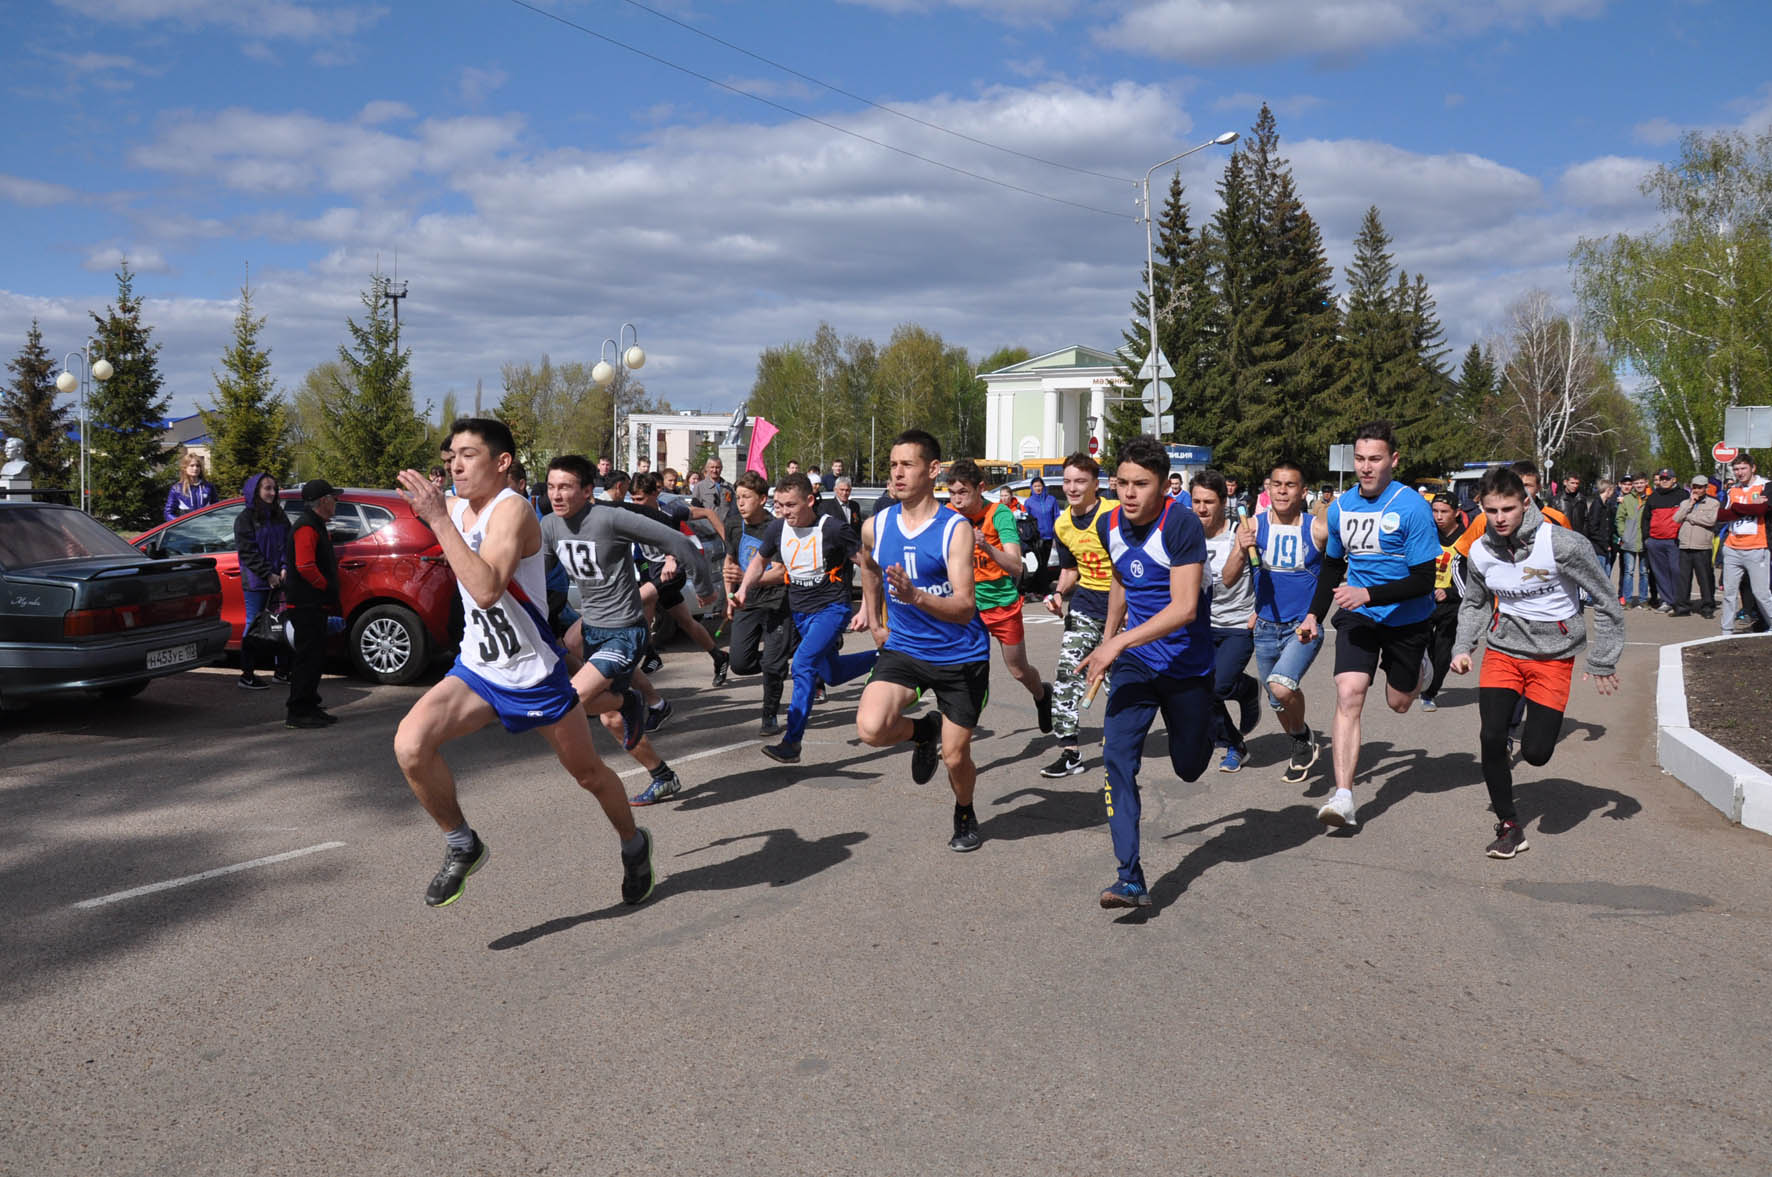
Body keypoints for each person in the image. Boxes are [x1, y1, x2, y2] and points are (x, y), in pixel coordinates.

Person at [391, 421, 654, 909]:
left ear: (502, 462)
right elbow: (425, 524)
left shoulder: (511, 511)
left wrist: (439, 520)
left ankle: (633, 845)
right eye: (452, 456)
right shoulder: (452, 507)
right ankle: (461, 843)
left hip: (533, 676)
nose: (456, 465)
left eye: (469, 455)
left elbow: (488, 589)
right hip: (479, 671)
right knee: (409, 745)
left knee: (588, 774)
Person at [1449, 465, 1624, 858]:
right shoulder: (1480, 549)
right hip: (1504, 651)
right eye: (1491, 511)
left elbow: (1608, 601)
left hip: (1553, 657)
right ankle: (1509, 826)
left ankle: (1528, 759)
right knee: (1491, 737)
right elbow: (1475, 603)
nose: (1500, 519)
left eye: (1508, 509)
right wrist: (1463, 646)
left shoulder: (1562, 544)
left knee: (1537, 753)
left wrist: (1603, 659)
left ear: (1525, 503)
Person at [1081, 435, 1216, 908]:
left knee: (1189, 767)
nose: (1130, 493)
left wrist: (1117, 640)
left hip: (1186, 664)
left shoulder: (1181, 526)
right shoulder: (1109, 524)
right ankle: (1129, 877)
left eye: (1142, 484)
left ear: (1163, 487)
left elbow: (1183, 609)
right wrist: (1108, 641)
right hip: (1137, 663)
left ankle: (1221, 708)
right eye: (1123, 483)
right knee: (1116, 758)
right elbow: (1121, 576)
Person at [542, 454, 711, 808]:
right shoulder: (550, 526)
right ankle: (663, 776)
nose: (556, 495)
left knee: (572, 699)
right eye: (552, 487)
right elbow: (531, 573)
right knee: (610, 720)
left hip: (625, 631)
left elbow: (679, 543)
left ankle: (631, 699)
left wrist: (705, 585)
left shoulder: (611, 518)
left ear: (588, 490)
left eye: (566, 487)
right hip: (594, 631)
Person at [852, 430, 992, 853]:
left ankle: (964, 809)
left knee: (955, 757)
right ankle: (922, 730)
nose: (896, 472)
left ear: (933, 470)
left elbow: (966, 606)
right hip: (906, 648)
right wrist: (874, 617)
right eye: (893, 464)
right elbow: (870, 567)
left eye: (907, 464)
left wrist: (915, 596)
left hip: (960, 655)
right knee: (871, 729)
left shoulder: (955, 529)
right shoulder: (876, 525)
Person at [1299, 420, 1440, 830]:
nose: (1365, 466)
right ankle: (1343, 796)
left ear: (1393, 460)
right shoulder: (1342, 506)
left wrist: (1370, 594)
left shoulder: (1411, 506)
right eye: (1359, 458)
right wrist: (1314, 613)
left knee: (1399, 702)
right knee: (1349, 692)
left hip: (1407, 617)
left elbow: (1423, 579)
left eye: (1374, 458)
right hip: (1359, 616)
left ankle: (1421, 671)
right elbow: (1332, 566)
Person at [736, 473, 875, 762]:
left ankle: (792, 743)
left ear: (810, 500)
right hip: (801, 613)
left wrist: (866, 609)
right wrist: (743, 589)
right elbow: (758, 562)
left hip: (832, 610)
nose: (785, 512)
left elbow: (870, 566)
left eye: (791, 505)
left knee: (802, 664)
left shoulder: (834, 529)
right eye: (779, 505)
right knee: (832, 674)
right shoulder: (777, 529)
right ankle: (884, 656)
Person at [944, 460, 1053, 735]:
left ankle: (1042, 694)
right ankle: (957, 732)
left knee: (1018, 670)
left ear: (980, 488)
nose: (956, 500)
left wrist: (984, 546)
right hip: (967, 606)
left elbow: (1016, 566)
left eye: (963, 492)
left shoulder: (999, 514)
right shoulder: (946, 515)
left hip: (1002, 603)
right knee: (964, 672)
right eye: (952, 492)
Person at [1245, 458, 1327, 784]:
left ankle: (1301, 736)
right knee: (1276, 698)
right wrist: (1250, 608)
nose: (1282, 490)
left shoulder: (1316, 528)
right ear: (1268, 488)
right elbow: (1239, 575)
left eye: (1290, 484)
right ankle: (1301, 740)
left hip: (1302, 627)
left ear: (1303, 491)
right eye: (1276, 484)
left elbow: (1338, 567)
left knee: (1281, 685)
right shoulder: (1251, 525)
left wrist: (1316, 615)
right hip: (1265, 626)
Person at [1041, 453, 1116, 778]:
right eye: (1068, 481)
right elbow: (1070, 570)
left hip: (1123, 609)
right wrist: (1059, 593)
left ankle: (1119, 742)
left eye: (1080, 481)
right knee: (1067, 676)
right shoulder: (1062, 523)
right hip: (1084, 606)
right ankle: (1069, 752)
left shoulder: (1114, 514)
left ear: (1095, 485)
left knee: (1119, 682)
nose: (1072, 488)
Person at [629, 472, 730, 685]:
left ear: (654, 494)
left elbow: (709, 514)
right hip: (651, 569)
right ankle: (719, 656)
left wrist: (730, 548)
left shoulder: (671, 511)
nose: (636, 503)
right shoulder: (632, 514)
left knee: (640, 605)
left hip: (673, 571)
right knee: (686, 621)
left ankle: (650, 655)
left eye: (639, 499)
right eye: (633, 499)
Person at [1190, 469, 1260, 772]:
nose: (1202, 508)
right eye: (1196, 501)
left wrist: (1262, 610)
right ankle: (1234, 743)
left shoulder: (1239, 533)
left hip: (1238, 625)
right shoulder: (1186, 536)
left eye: (1209, 501)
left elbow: (1255, 575)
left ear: (1223, 502)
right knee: (1199, 691)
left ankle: (1244, 689)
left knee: (1216, 687)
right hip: (1200, 625)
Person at [724, 471, 796, 735]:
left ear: (763, 499)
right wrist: (730, 597)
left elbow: (779, 572)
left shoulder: (777, 528)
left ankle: (769, 715)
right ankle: (778, 660)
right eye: (738, 497)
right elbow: (729, 563)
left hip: (777, 601)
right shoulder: (733, 524)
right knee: (740, 663)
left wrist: (747, 579)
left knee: (773, 663)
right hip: (747, 602)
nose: (740, 503)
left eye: (747, 497)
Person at [282, 480, 342, 728]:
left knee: (315, 656)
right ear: (324, 501)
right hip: (305, 604)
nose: (336, 502)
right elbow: (305, 566)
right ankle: (298, 711)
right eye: (333, 498)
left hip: (313, 603)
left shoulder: (316, 525)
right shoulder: (306, 527)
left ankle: (310, 704)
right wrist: (325, 586)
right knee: (307, 657)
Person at [233, 472, 290, 690]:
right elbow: (248, 553)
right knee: (255, 625)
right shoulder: (245, 519)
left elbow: (287, 542)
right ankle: (247, 674)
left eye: (274, 488)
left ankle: (282, 671)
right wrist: (268, 573)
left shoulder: (279, 515)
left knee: (282, 624)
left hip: (280, 580)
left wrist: (284, 567)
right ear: (256, 490)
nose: (272, 493)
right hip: (257, 581)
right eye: (267, 488)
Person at [1418, 494, 1465, 712]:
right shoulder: (1426, 534)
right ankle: (1420, 681)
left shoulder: (1467, 539)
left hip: (1453, 604)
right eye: (1434, 511)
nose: (1438, 516)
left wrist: (1450, 592)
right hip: (1424, 601)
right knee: (1422, 646)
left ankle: (1430, 693)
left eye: (1444, 511)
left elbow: (1473, 578)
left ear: (1456, 512)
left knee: (1443, 651)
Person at [1716, 454, 1772, 635]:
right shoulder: (1733, 490)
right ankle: (1726, 631)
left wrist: (1738, 508)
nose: (1740, 473)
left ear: (1753, 468)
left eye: (1743, 468)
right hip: (1732, 548)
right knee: (1729, 594)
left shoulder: (1765, 485)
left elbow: (1761, 509)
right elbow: (1723, 515)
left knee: (1761, 594)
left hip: (1757, 548)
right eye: (1737, 469)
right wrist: (1747, 506)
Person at [1670, 475, 1720, 617]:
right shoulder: (1685, 502)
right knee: (1684, 579)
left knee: (1705, 578)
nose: (1697, 490)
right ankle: (1682, 607)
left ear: (1706, 488)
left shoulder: (1713, 503)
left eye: (1700, 487)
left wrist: (1690, 517)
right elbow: (1676, 518)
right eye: (1695, 487)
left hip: (1702, 546)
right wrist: (1690, 504)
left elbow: (1710, 521)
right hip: (1685, 545)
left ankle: (1707, 607)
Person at [1641, 468, 1686, 613]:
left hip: (1674, 541)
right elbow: (1646, 518)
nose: (1664, 481)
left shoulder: (1683, 495)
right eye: (1662, 479)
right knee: (1660, 573)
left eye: (1667, 478)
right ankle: (1667, 600)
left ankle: (1678, 601)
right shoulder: (1653, 497)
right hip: (1655, 541)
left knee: (1676, 571)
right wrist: (1647, 538)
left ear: (1674, 480)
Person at [1022, 476, 1061, 596]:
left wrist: (1056, 533)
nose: (1038, 488)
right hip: (1036, 538)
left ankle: (1038, 588)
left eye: (1039, 486)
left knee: (1045, 563)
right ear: (1032, 488)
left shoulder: (1051, 500)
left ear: (1043, 487)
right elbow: (1026, 520)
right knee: (1040, 563)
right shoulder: (1029, 502)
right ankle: (1040, 589)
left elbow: (1056, 516)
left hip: (1049, 536)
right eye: (1035, 486)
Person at [1616, 474, 1649, 606]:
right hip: (1629, 541)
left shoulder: (1650, 499)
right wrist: (1624, 534)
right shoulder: (1627, 499)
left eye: (1641, 482)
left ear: (1646, 483)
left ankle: (1643, 599)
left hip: (1644, 541)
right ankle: (1627, 599)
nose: (1639, 485)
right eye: (1636, 483)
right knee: (1628, 571)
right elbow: (1620, 518)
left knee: (1644, 572)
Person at [164, 451, 217, 520]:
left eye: (198, 466)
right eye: (192, 465)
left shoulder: (209, 487)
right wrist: (181, 525)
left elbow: (217, 509)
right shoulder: (177, 488)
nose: (195, 468)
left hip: (206, 528)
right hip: (188, 529)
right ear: (184, 468)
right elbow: (168, 512)